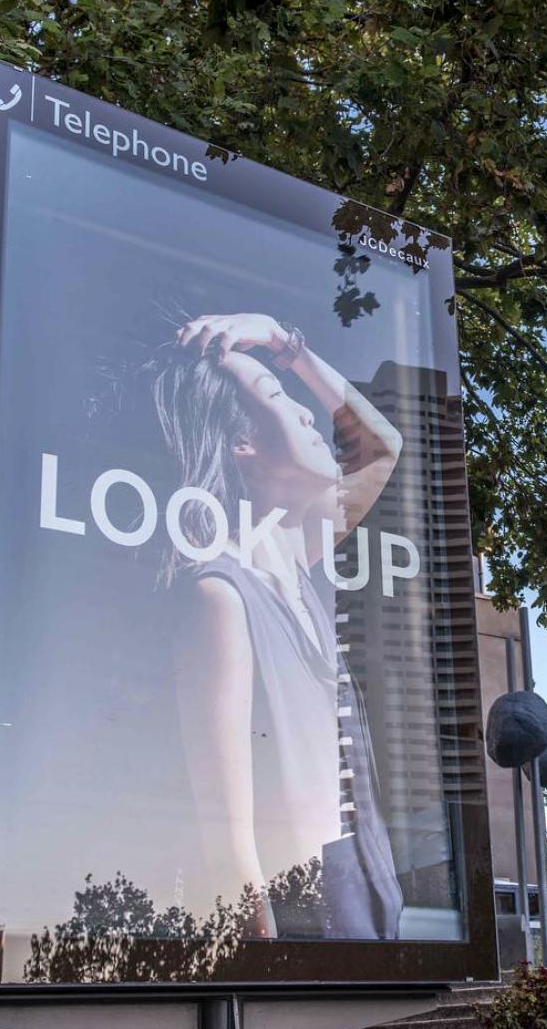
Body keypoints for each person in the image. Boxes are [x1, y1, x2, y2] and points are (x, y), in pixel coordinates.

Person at [152, 312, 405, 941]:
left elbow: (383, 447)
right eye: (278, 397)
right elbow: (228, 838)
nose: (308, 415)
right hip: (307, 916)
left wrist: (281, 342)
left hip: (358, 889)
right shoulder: (221, 595)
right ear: (243, 444)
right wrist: (267, 965)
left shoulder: (294, 567)